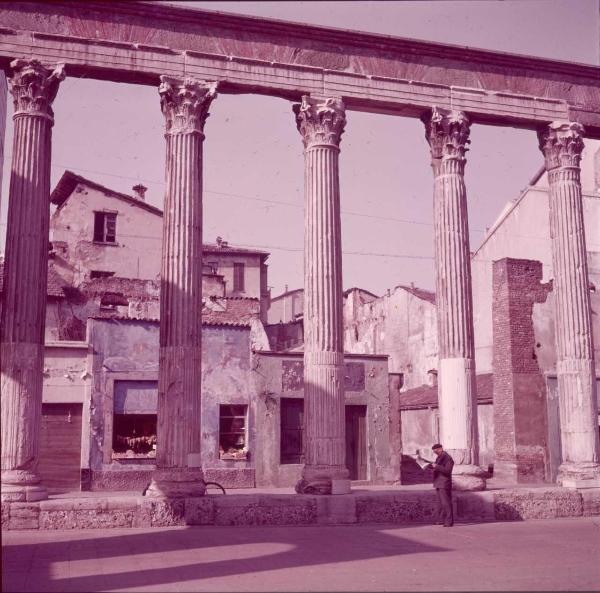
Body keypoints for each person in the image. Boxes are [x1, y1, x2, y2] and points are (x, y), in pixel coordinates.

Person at [429, 443, 454, 527]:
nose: (435, 452)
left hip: (444, 483)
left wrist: (437, 466)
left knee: (446, 503)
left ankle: (449, 521)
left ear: (440, 449)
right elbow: (438, 468)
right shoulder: (439, 457)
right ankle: (440, 520)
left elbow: (447, 471)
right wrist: (430, 466)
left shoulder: (448, 458)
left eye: (436, 451)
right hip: (438, 482)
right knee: (440, 503)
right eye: (434, 451)